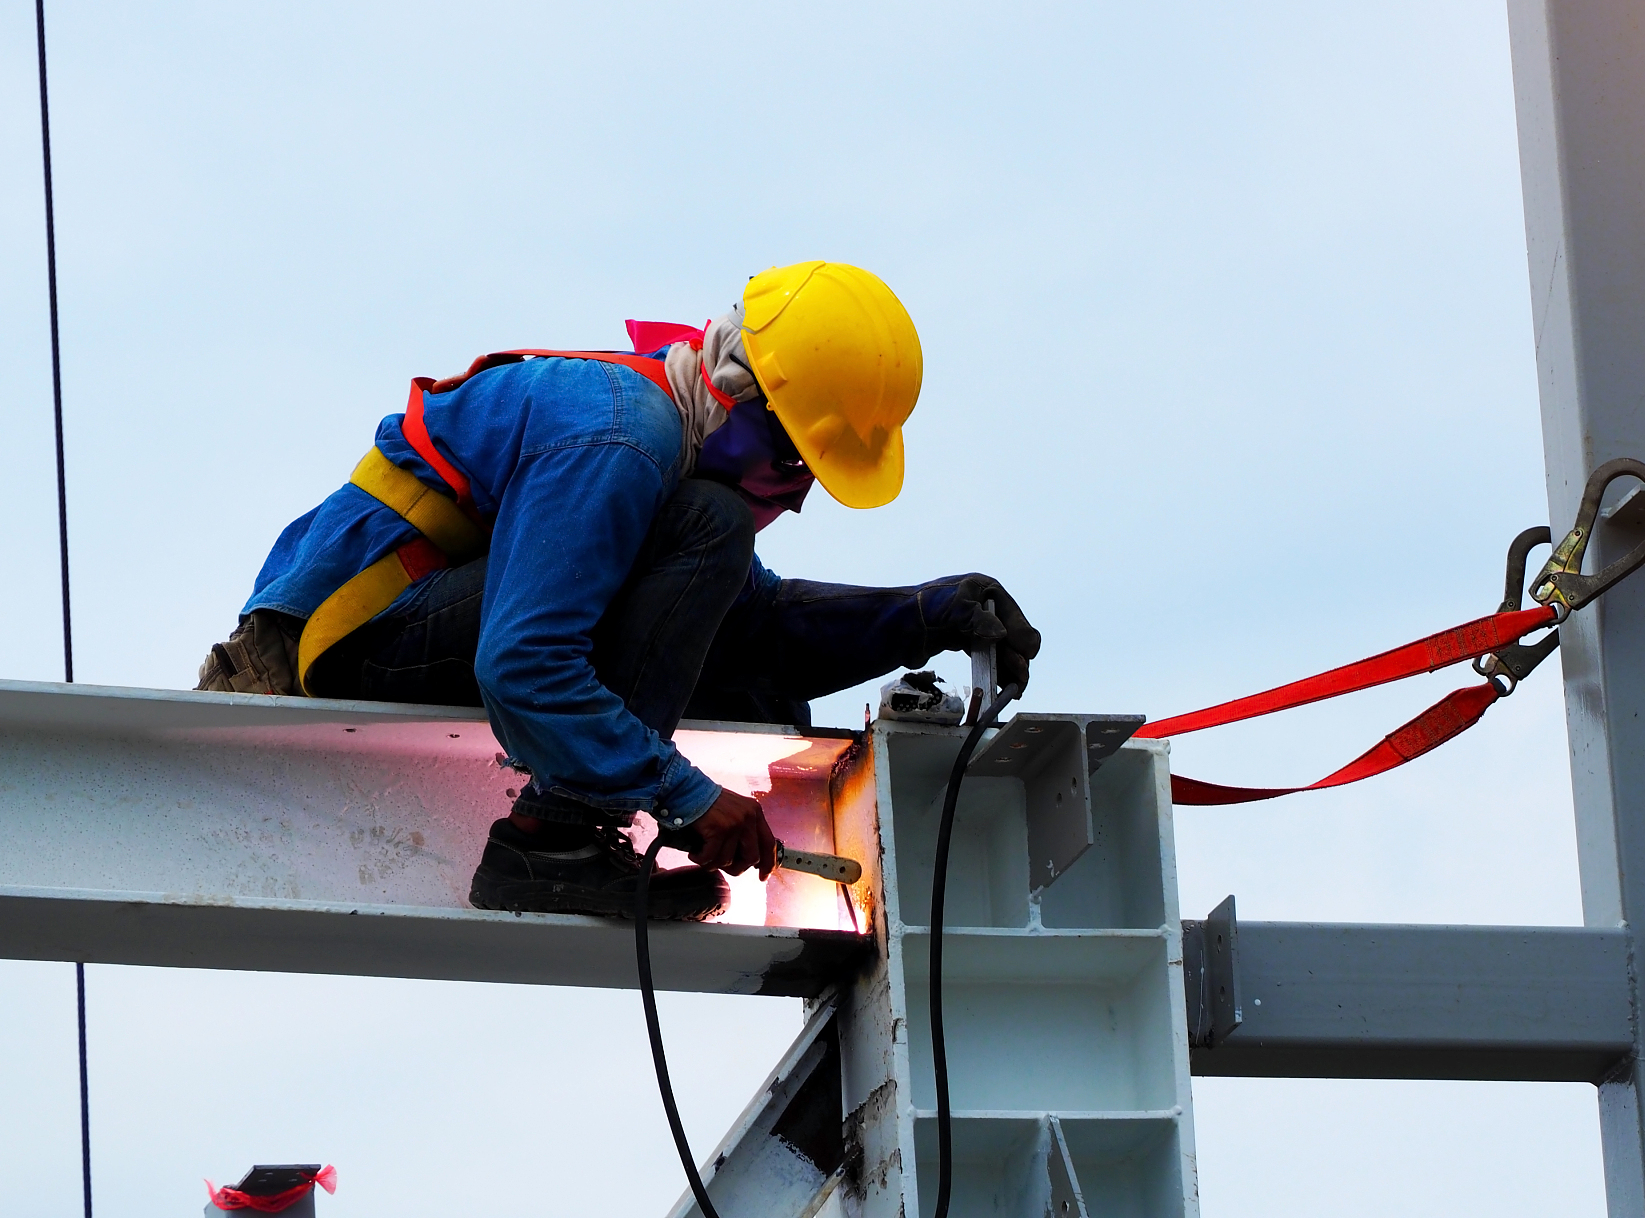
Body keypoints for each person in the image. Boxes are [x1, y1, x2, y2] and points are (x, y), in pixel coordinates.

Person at [197, 261, 1039, 921]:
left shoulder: (665, 440)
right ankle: (551, 842)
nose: (798, 495)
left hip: (435, 623)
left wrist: (925, 614)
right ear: (745, 403)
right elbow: (524, 664)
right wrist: (684, 793)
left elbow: (754, 627)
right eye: (796, 464)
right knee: (713, 526)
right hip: (359, 639)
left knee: (748, 664)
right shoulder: (623, 438)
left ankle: (588, 803)